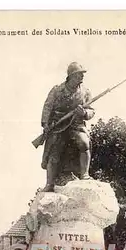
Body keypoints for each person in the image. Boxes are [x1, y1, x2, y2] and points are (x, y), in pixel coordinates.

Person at [41, 62, 95, 191]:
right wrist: (46, 124)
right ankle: (49, 184)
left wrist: (84, 113)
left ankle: (85, 174)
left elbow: (91, 110)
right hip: (58, 125)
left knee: (84, 143)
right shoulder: (57, 90)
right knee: (54, 151)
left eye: (82, 75)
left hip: (76, 124)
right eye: (79, 75)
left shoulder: (85, 92)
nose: (82, 77)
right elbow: (47, 107)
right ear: (71, 76)